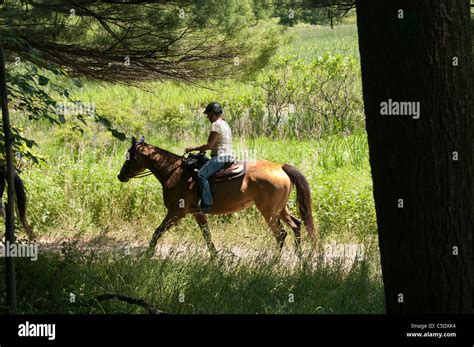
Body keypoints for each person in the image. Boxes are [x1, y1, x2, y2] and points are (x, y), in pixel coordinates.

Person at [185, 102, 233, 213]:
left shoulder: (216, 125)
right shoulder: (225, 124)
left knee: (201, 175)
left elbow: (209, 145)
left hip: (221, 157)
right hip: (229, 155)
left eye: (209, 114)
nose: (207, 117)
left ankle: (206, 204)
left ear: (214, 114)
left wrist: (192, 149)